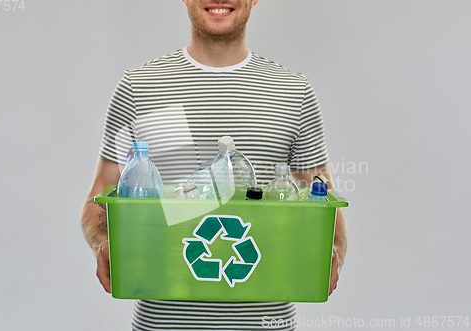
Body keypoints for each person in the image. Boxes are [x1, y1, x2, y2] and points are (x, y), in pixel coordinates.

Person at [81, 0, 348, 329]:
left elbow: (322, 194)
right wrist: (102, 243)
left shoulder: (293, 91)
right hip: (163, 323)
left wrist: (334, 250)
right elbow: (100, 193)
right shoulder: (140, 87)